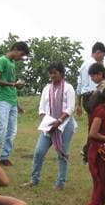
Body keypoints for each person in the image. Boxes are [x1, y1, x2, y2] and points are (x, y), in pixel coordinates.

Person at [24, 62, 76, 190]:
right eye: (51, 73)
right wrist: (47, 121)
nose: (52, 75)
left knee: (62, 154)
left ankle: (60, 183)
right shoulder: (46, 89)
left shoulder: (69, 88)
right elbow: (41, 109)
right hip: (48, 126)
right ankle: (34, 179)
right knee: (39, 152)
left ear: (61, 74)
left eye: (55, 73)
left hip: (64, 125)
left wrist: (59, 121)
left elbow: (70, 108)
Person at [0, 41, 30, 166]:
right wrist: (13, 84)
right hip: (3, 100)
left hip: (12, 100)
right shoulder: (3, 60)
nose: (21, 58)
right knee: (2, 127)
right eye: (21, 54)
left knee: (12, 131)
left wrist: (17, 104)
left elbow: (12, 85)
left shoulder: (12, 63)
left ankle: (4, 156)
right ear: (15, 49)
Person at [76, 42, 105, 117]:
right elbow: (98, 85)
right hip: (95, 97)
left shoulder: (83, 65)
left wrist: (78, 104)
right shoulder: (94, 65)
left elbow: (79, 85)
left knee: (92, 121)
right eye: (103, 56)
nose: (103, 58)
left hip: (86, 99)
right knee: (99, 122)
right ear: (98, 52)